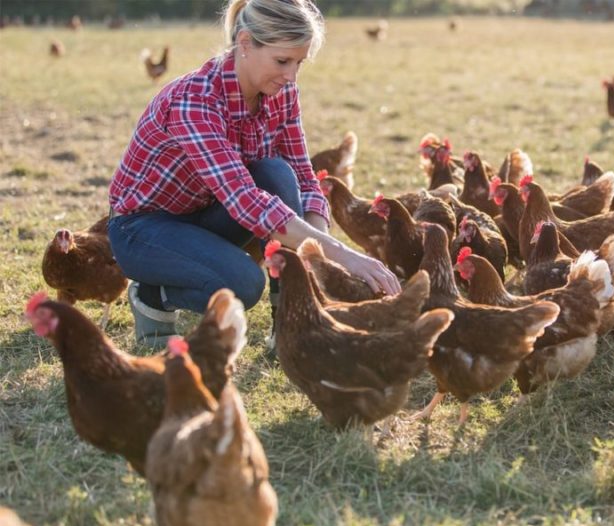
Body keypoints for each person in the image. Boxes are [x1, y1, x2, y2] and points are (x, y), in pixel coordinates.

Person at [107, 0, 400, 349]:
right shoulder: (194, 101)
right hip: (143, 229)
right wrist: (341, 253)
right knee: (242, 284)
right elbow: (244, 200)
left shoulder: (282, 91)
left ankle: (291, 325)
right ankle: (154, 294)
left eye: (298, 63)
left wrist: (315, 257)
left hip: (206, 213)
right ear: (245, 44)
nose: (291, 76)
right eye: (282, 61)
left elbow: (304, 179)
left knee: (277, 172)